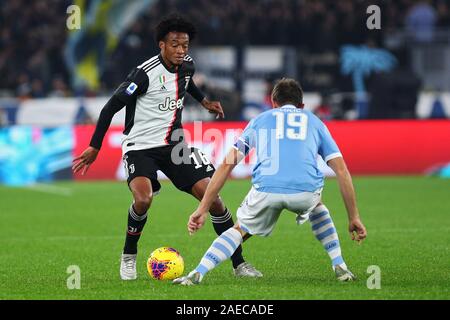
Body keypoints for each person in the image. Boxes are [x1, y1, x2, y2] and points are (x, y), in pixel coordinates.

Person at [72, 14, 261, 280]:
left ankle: (239, 263)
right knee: (143, 199)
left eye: (185, 45)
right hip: (140, 146)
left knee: (214, 200)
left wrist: (204, 101)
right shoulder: (144, 74)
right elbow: (110, 107)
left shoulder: (187, 66)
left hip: (175, 145)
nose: (181, 50)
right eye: (175, 44)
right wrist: (94, 146)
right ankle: (128, 255)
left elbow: (187, 82)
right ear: (161, 45)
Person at [174, 78, 367, 285]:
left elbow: (226, 165)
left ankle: (198, 273)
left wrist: (203, 208)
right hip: (305, 192)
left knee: (239, 230)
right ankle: (340, 265)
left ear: (273, 102)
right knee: (317, 204)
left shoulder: (260, 120)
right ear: (301, 105)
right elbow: (342, 171)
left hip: (266, 191)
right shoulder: (314, 121)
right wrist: (353, 217)